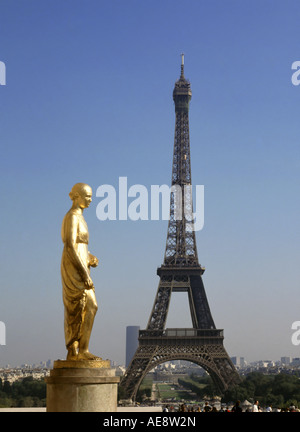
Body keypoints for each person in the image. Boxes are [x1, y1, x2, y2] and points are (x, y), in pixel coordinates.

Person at [61, 183, 100, 361]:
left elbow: (80, 246)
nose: (91, 199)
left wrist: (90, 257)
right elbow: (69, 246)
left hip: (82, 265)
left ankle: (83, 349)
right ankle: (75, 350)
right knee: (77, 307)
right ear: (77, 196)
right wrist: (84, 273)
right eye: (87, 196)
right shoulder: (72, 216)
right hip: (74, 268)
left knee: (91, 306)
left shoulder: (81, 217)